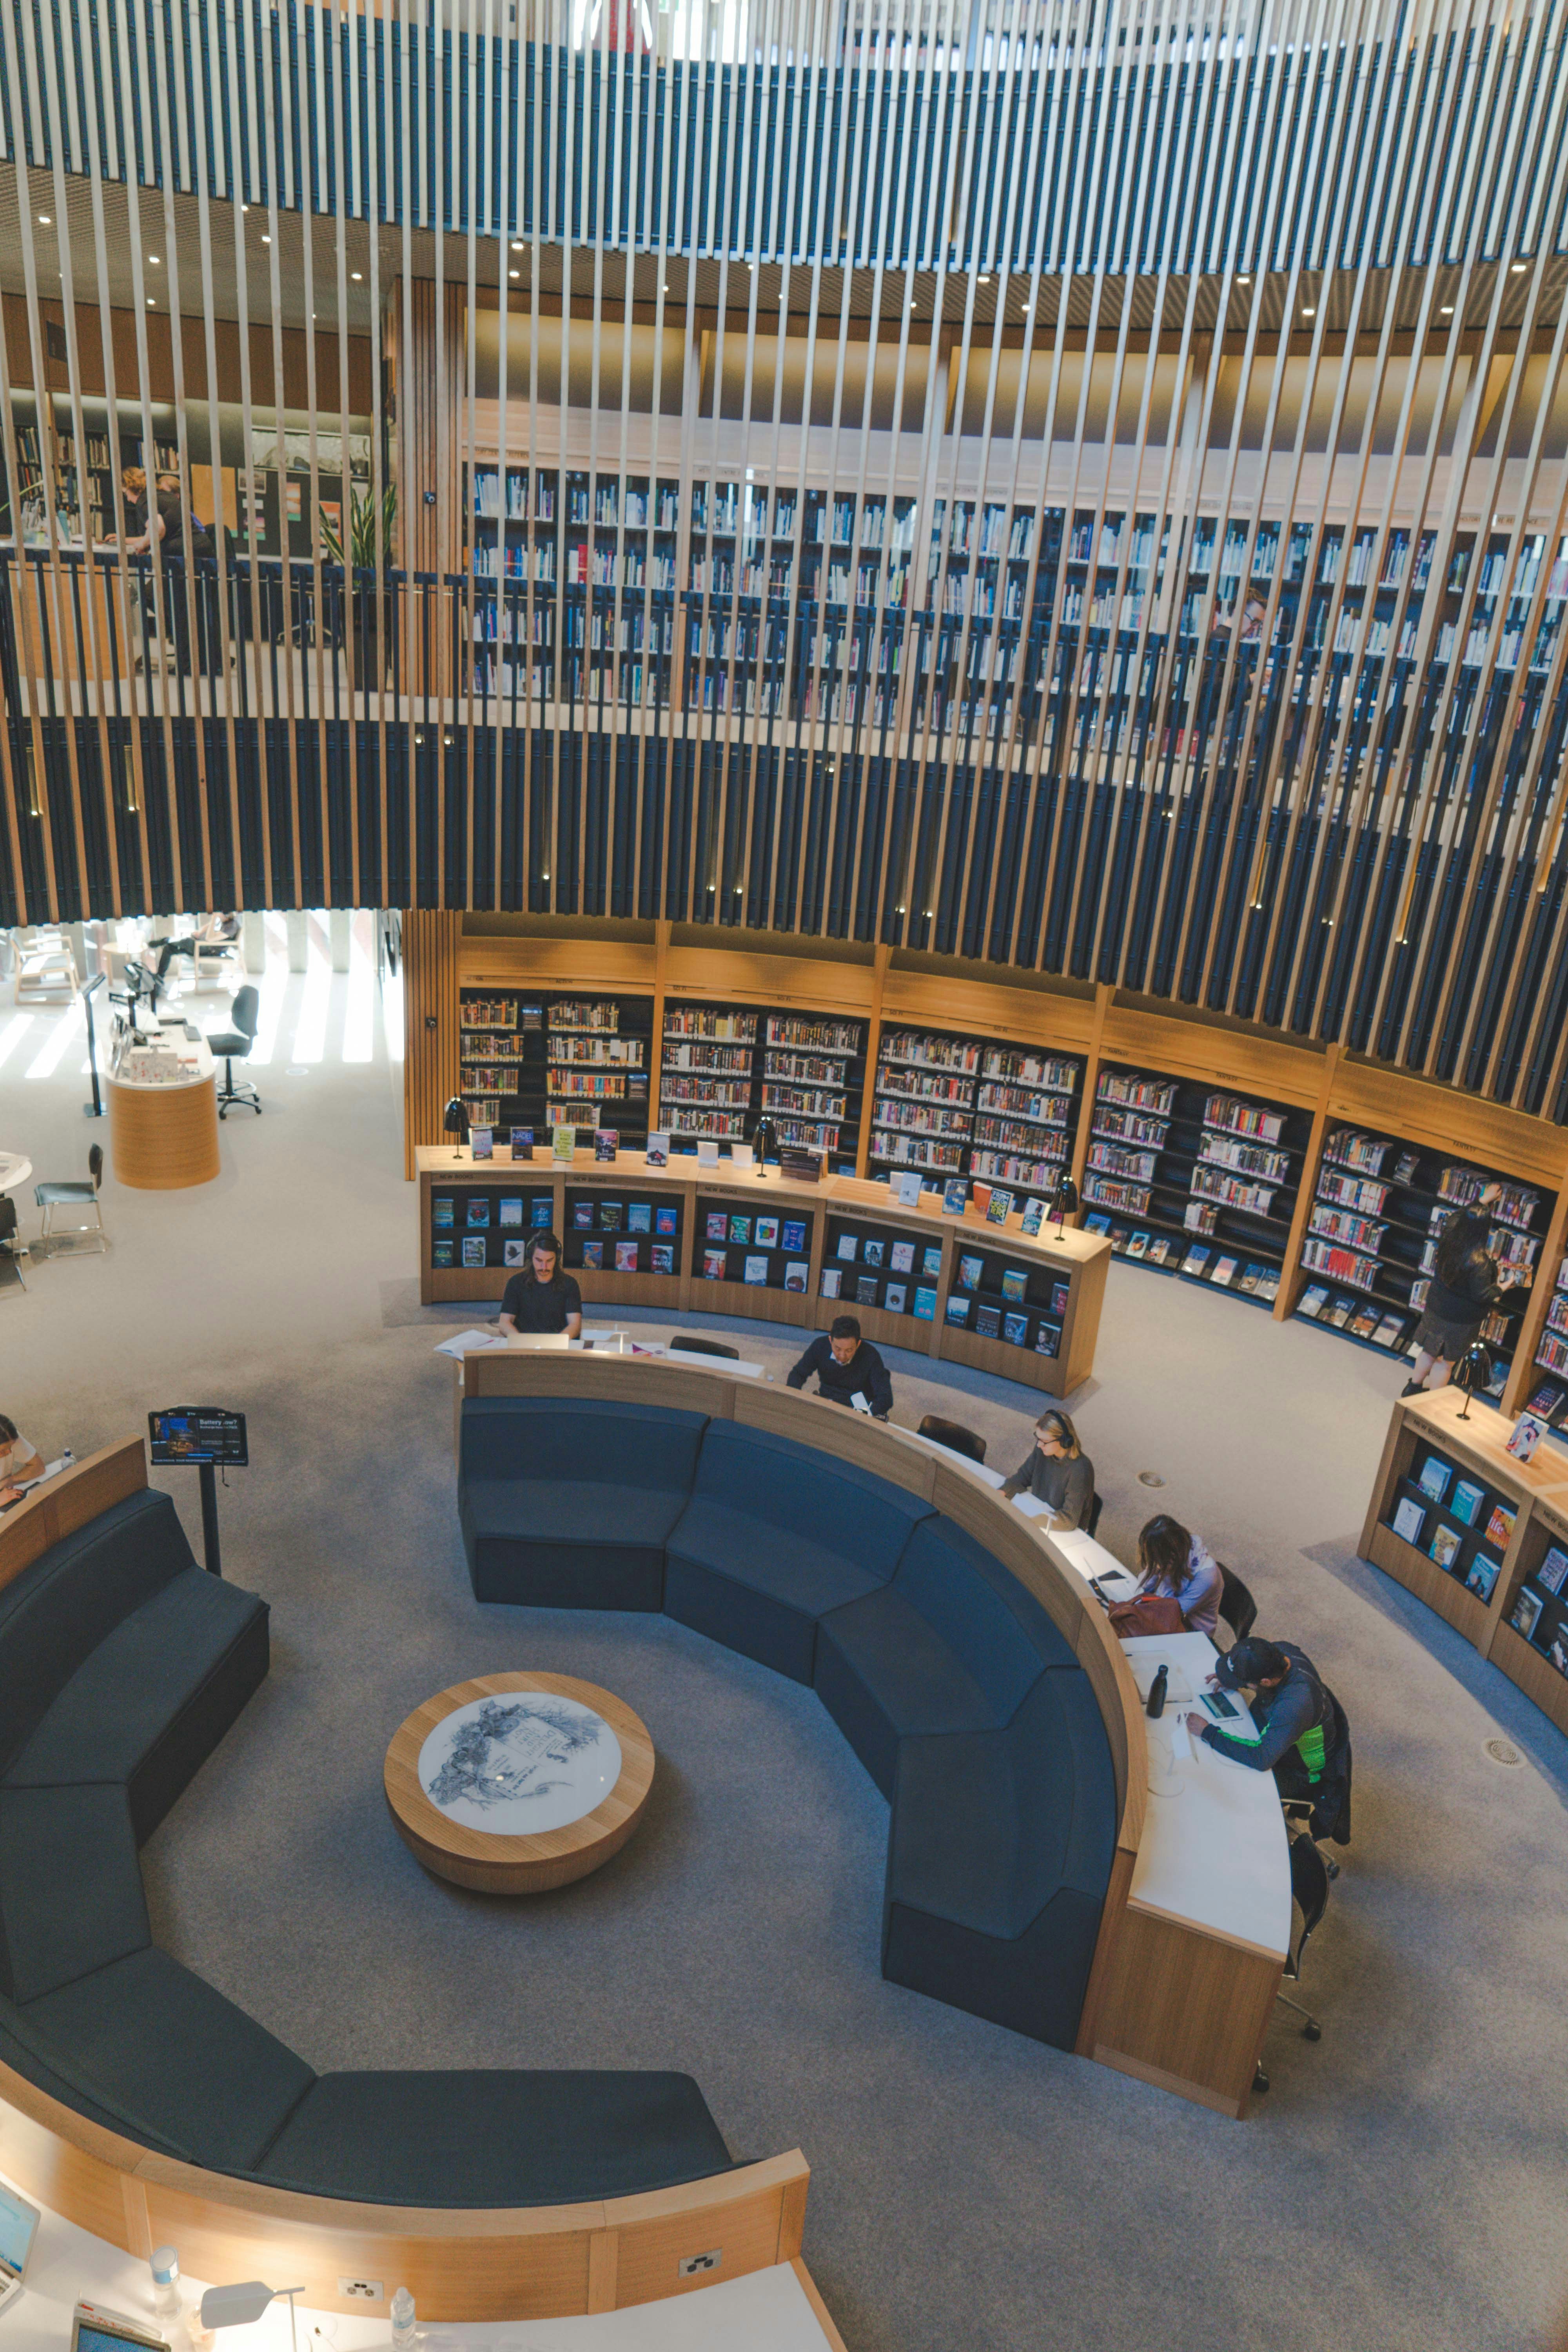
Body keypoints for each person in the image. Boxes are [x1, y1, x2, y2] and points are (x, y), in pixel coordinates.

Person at [1185, 1635, 1351, 1842]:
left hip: (1302, 1772)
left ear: (1265, 1682)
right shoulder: (1280, 1651)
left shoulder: (1295, 1705)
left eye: (1246, 1682)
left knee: (1224, 1784)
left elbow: (1262, 1758)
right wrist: (1231, 1679)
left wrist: (1208, 1732)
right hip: (1278, 1734)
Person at [1404, 1186, 1523, 1396]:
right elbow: (1482, 1295)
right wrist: (1503, 1286)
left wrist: (1482, 1200)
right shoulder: (1480, 1262)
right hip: (1460, 1321)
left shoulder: (1448, 1238)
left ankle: (1412, 1387)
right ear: (1485, 1231)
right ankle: (1430, 1402)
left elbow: (1456, 1218)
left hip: (1437, 1307)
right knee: (1445, 1362)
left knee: (1429, 1351)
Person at [1000, 1408, 1094, 1528]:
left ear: (1064, 1441)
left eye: (1044, 1441)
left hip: (1061, 1528)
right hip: (1039, 1514)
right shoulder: (1042, 1450)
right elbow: (1022, 1477)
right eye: (1038, 1438)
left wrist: (1029, 1521)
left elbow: (1069, 1520)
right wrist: (1001, 1493)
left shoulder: (1081, 1470)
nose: (1039, 1445)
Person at [1134, 1512, 1223, 1636]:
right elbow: (1144, 1586)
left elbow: (1172, 1612)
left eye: (1157, 1559)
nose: (1156, 1564)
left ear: (1170, 1554)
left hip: (1194, 1633)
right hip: (1176, 1618)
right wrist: (1156, 1568)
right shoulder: (1179, 1554)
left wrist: (1164, 1573)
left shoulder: (1207, 1577)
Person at [787, 1316, 893, 1417]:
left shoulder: (871, 1356)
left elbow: (885, 1397)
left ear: (858, 1344)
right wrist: (793, 1400)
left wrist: (866, 1415)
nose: (842, 1356)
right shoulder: (820, 1346)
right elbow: (798, 1374)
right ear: (830, 1341)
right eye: (837, 1349)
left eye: (849, 1350)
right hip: (828, 1399)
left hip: (858, 1407)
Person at [498, 1231, 582, 1338]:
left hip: (557, 1341)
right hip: (525, 1341)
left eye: (549, 1261)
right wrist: (520, 1341)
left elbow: (575, 1325)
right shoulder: (515, 1283)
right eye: (539, 1260)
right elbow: (504, 1323)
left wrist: (557, 1343)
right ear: (531, 1257)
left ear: (557, 1258)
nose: (544, 1267)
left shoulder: (570, 1284)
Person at [0, 1416, 45, 1507]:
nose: (9, 1452)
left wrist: (8, 1481)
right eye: (2, 1451)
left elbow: (38, 1466)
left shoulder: (8, 1436)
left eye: (11, 1446)